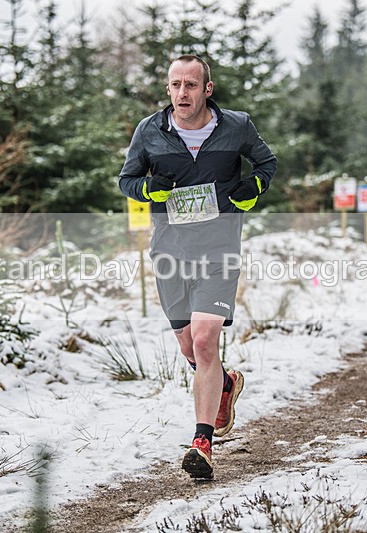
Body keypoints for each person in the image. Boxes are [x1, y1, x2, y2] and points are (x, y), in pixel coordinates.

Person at [119, 54, 277, 479]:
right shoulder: (150, 131)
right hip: (170, 252)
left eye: (190, 85)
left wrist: (253, 186)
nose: (182, 93)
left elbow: (267, 164)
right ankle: (224, 384)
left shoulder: (237, 126)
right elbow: (126, 180)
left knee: (206, 341)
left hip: (219, 250)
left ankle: (202, 443)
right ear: (168, 89)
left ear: (207, 89)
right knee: (189, 347)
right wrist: (147, 189)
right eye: (175, 85)